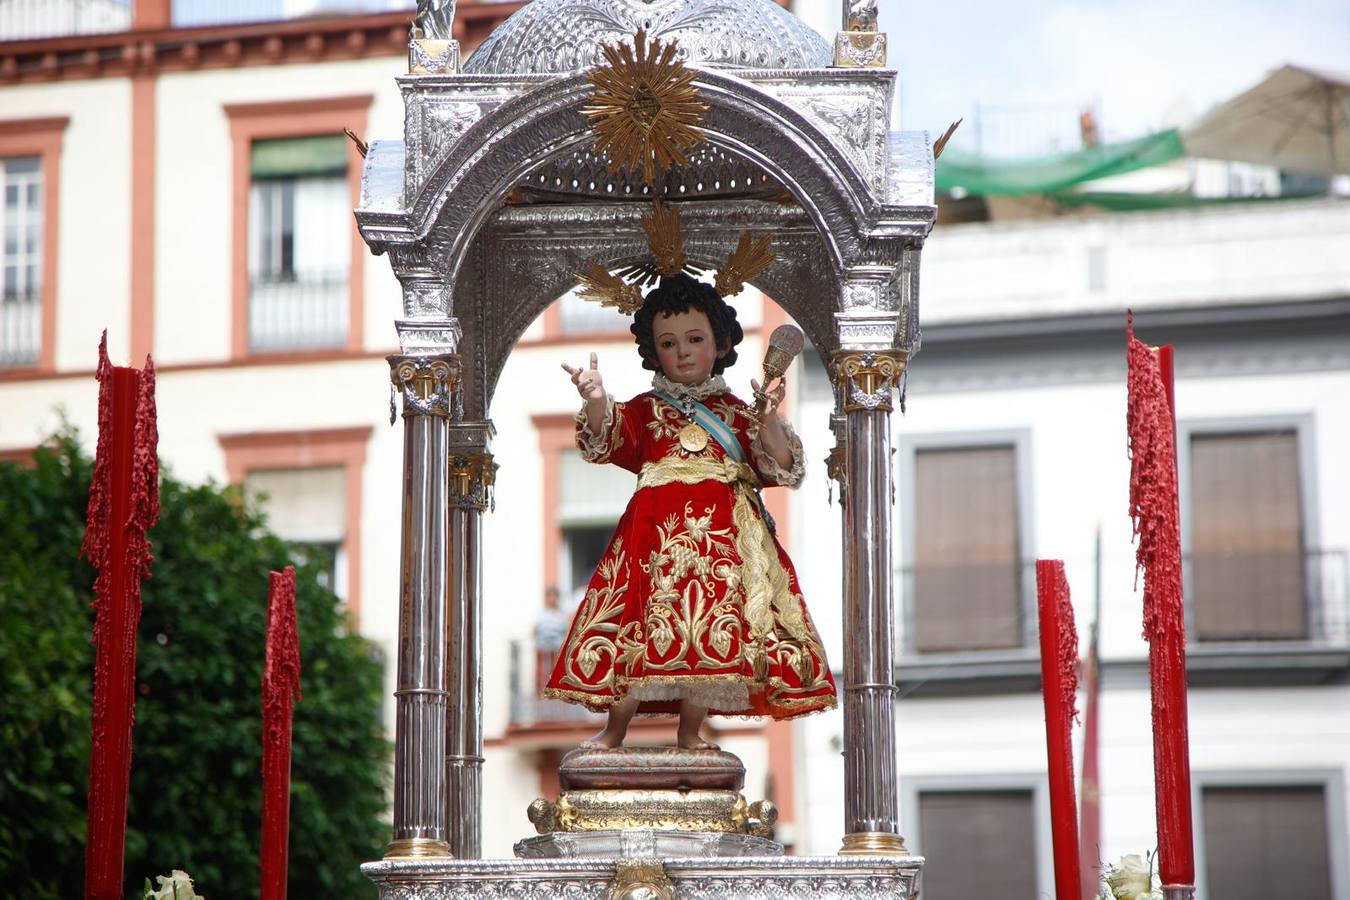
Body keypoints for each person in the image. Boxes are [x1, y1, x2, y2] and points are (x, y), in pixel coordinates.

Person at [544, 271, 836, 750]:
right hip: (652, 538)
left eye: (694, 339)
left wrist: (769, 420)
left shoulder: (742, 412)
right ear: (653, 351)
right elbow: (605, 440)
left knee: (707, 629)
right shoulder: (643, 409)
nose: (682, 352)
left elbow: (782, 468)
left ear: (720, 344)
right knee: (636, 622)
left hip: (722, 538)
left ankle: (689, 732)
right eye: (669, 343)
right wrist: (596, 398)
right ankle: (614, 731)